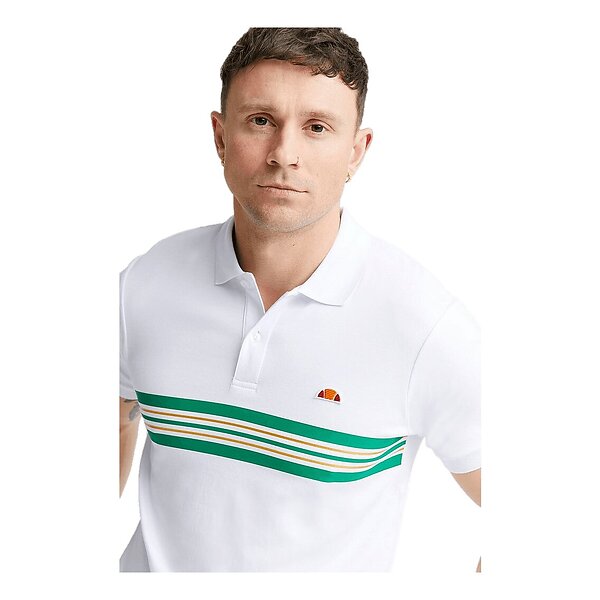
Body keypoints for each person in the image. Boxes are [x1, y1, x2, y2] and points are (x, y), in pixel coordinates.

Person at [119, 27, 481, 572]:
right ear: (220, 136)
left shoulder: (424, 325)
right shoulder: (144, 284)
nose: (284, 155)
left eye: (317, 127)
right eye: (260, 121)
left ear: (356, 151)